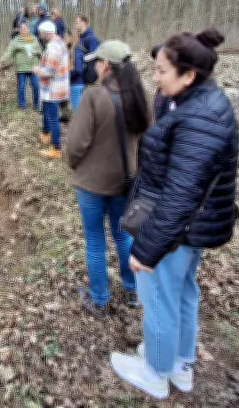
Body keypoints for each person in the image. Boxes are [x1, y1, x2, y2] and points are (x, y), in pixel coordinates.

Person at [109, 28, 238, 400]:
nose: (155, 77)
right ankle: (179, 363)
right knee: (182, 293)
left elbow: (181, 196)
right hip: (189, 229)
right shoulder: (196, 102)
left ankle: (155, 372)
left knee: (160, 298)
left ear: (188, 75)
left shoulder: (199, 119)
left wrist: (146, 249)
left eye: (162, 71)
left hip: (175, 231)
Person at [67, 40, 152, 318]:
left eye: (96, 62)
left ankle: (100, 300)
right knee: (122, 236)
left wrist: (74, 164)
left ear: (105, 65)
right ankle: (132, 290)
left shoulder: (93, 96)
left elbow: (76, 143)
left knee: (94, 240)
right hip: (126, 182)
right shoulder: (141, 96)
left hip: (92, 184)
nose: (93, 67)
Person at [33, 21, 70, 159]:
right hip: (57, 88)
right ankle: (45, 135)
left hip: (52, 90)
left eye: (41, 32)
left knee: (53, 118)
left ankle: (56, 148)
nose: (39, 35)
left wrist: (37, 70)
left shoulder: (53, 48)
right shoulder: (60, 43)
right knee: (49, 115)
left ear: (46, 32)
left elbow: (49, 71)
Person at [0, 22, 42, 110]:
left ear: (28, 29)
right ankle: (22, 105)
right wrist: (1, 61)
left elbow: (41, 52)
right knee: (21, 86)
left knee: (36, 85)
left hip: (33, 68)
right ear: (19, 30)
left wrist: (37, 52)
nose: (24, 29)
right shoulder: (15, 40)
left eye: (26, 28)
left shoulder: (34, 39)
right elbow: (9, 52)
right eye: (22, 28)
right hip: (21, 68)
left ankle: (36, 104)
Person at [71, 14, 100, 111]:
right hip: (79, 77)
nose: (75, 25)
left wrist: (88, 74)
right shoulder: (81, 39)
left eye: (77, 23)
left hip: (87, 77)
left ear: (84, 23)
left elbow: (94, 57)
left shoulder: (91, 39)